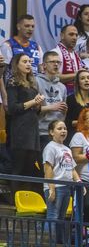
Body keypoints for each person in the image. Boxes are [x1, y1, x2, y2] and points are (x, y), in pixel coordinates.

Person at [7, 53, 45, 196]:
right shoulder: (13, 82)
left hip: (33, 129)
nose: (28, 64)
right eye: (24, 61)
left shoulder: (32, 84)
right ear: (16, 65)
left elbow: (36, 110)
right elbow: (12, 108)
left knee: (30, 167)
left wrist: (38, 105)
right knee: (19, 166)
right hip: (20, 129)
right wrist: (33, 102)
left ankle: (28, 199)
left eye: (29, 61)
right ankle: (15, 199)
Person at [43, 120, 79, 241]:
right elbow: (48, 168)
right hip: (56, 186)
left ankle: (59, 244)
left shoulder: (67, 149)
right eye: (59, 129)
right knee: (53, 215)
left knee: (61, 217)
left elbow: (72, 168)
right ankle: (50, 244)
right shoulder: (50, 147)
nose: (63, 131)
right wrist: (51, 188)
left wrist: (79, 181)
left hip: (66, 186)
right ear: (51, 132)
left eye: (65, 128)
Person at [36, 51, 67, 150]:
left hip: (58, 132)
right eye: (52, 62)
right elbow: (33, 109)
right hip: (42, 131)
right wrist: (52, 107)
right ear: (44, 65)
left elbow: (62, 111)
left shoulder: (62, 87)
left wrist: (64, 110)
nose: (56, 64)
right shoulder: (36, 81)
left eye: (58, 62)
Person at [0, 14, 43, 82]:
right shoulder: (8, 45)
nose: (30, 29)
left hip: (34, 85)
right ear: (18, 27)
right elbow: (2, 72)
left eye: (32, 26)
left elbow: (41, 69)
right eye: (27, 26)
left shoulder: (37, 46)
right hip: (14, 86)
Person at [65, 69, 89, 144]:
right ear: (78, 83)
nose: (86, 80)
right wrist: (84, 122)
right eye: (82, 78)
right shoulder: (71, 99)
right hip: (75, 136)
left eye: (88, 78)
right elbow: (67, 122)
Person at [51, 24, 84, 95]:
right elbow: (53, 77)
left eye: (76, 35)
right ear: (62, 36)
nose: (74, 38)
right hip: (59, 95)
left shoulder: (76, 55)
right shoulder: (54, 53)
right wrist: (76, 75)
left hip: (77, 95)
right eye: (71, 34)